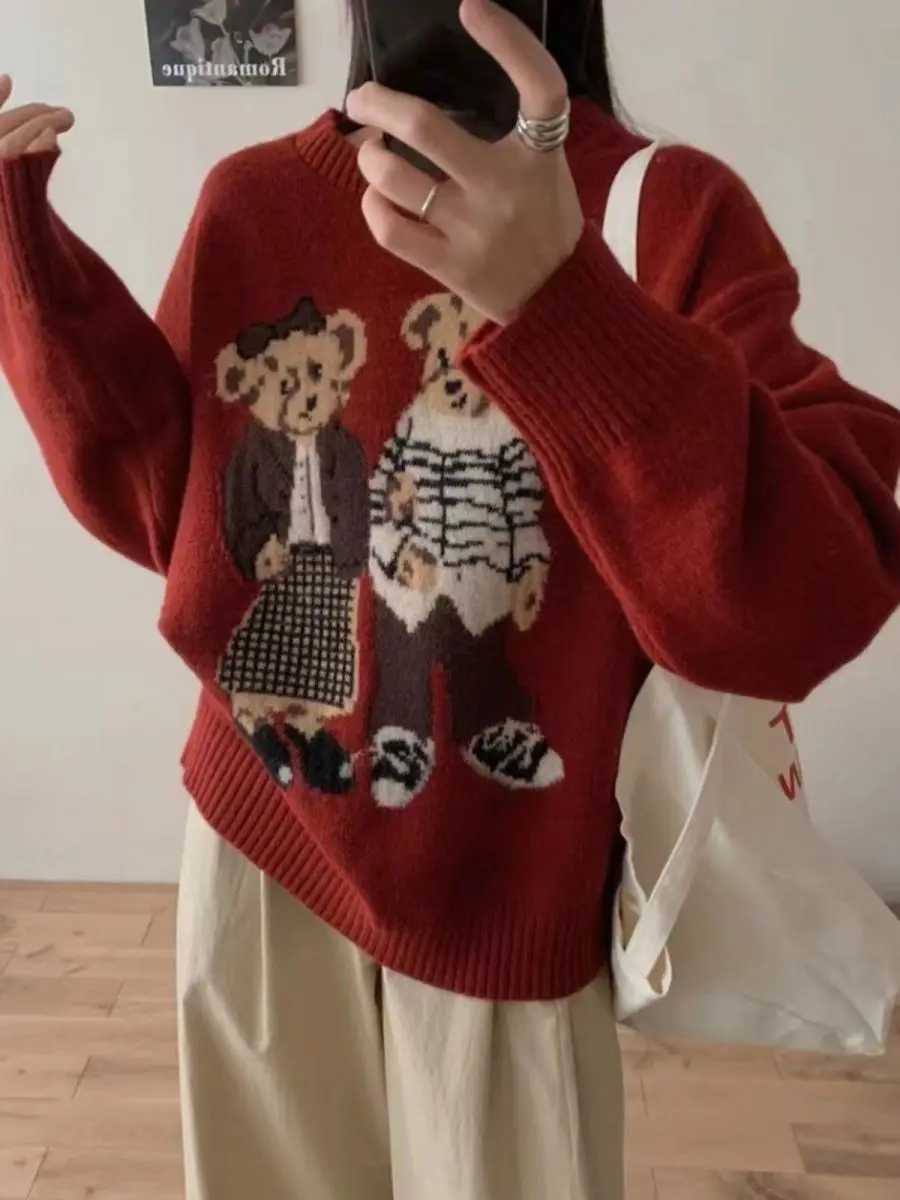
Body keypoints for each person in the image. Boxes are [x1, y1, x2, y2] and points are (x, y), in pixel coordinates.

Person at [1, 0, 899, 1196]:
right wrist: (21, 247)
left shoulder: (663, 214)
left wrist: (564, 299)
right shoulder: (254, 201)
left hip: (511, 902)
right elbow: (172, 513)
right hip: (261, 849)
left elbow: (805, 602)